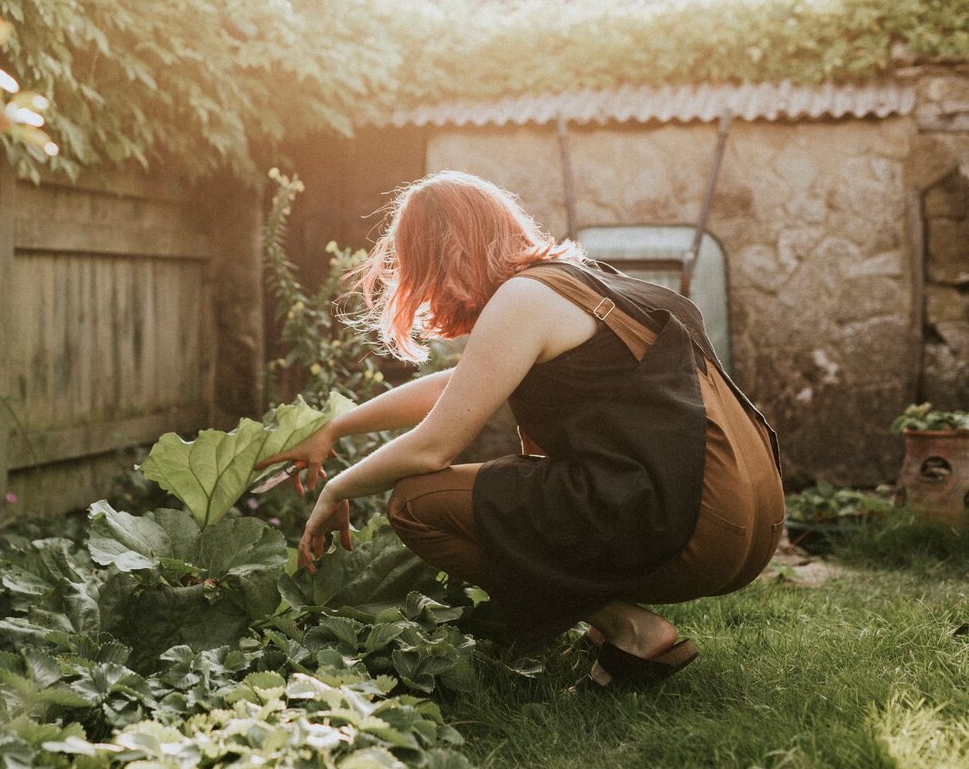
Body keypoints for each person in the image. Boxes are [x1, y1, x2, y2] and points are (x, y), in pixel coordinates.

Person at [256, 170, 783, 689]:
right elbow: (457, 386)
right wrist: (336, 427)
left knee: (416, 503)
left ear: (443, 255)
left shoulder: (523, 299)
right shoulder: (573, 283)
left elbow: (432, 447)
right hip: (750, 525)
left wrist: (337, 487)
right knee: (507, 487)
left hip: (698, 530)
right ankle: (612, 628)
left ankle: (630, 629)